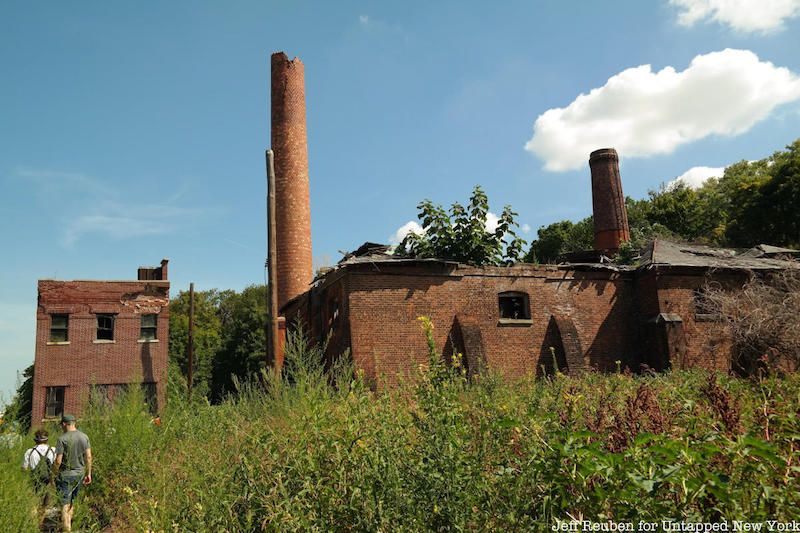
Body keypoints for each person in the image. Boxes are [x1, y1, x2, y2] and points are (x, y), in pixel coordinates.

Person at [53, 414, 92, 533]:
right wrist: (88, 473)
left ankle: (66, 529)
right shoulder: (84, 437)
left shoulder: (62, 439)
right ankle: (69, 525)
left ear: (64, 424)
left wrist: (53, 474)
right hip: (79, 474)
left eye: (61, 425)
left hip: (65, 474)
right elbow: (89, 457)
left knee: (65, 504)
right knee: (72, 502)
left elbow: (58, 461)